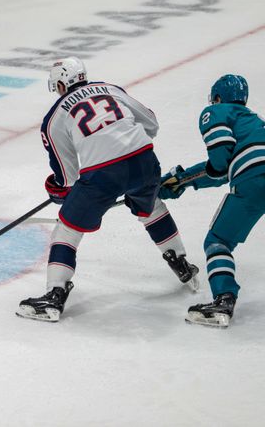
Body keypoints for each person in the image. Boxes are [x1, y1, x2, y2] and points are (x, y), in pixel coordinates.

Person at [16, 57, 199, 322]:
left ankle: (55, 296)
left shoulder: (54, 117)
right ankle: (181, 262)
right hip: (144, 161)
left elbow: (67, 178)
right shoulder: (111, 89)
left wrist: (57, 190)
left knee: (67, 227)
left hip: (103, 175)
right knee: (151, 205)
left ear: (59, 83)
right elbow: (151, 124)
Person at [159, 74, 265, 328]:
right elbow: (224, 169)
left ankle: (223, 299)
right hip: (255, 172)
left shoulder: (216, 111)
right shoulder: (254, 122)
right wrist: (183, 180)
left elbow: (219, 161)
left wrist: (175, 181)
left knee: (218, 242)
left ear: (218, 97)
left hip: (254, 180)